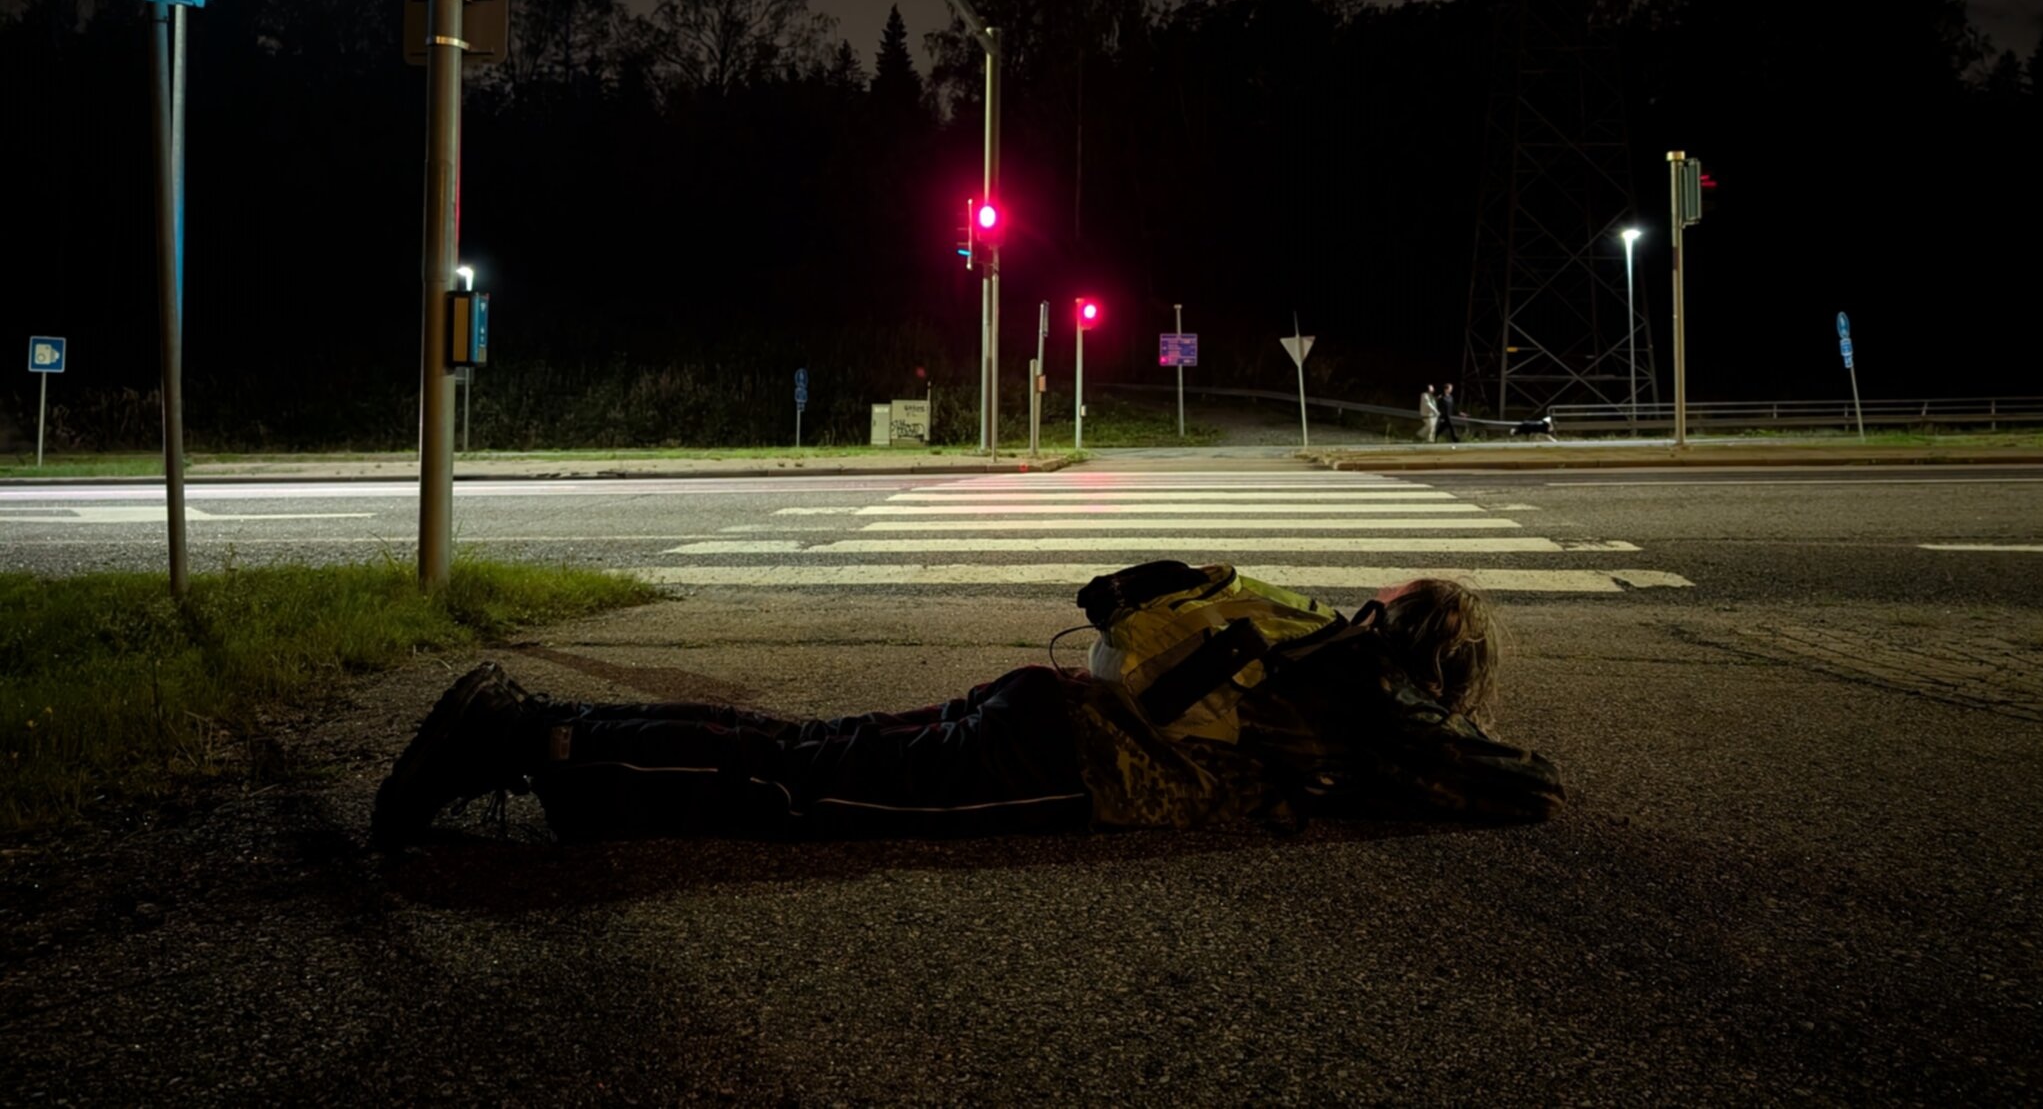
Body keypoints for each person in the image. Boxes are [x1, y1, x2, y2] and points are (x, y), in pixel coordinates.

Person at [370, 568, 1564, 850]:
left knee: (801, 748)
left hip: (1045, 699)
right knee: (798, 791)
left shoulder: (1306, 628)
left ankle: (538, 719)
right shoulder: (1366, 699)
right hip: (1065, 763)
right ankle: (533, 743)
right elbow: (1521, 788)